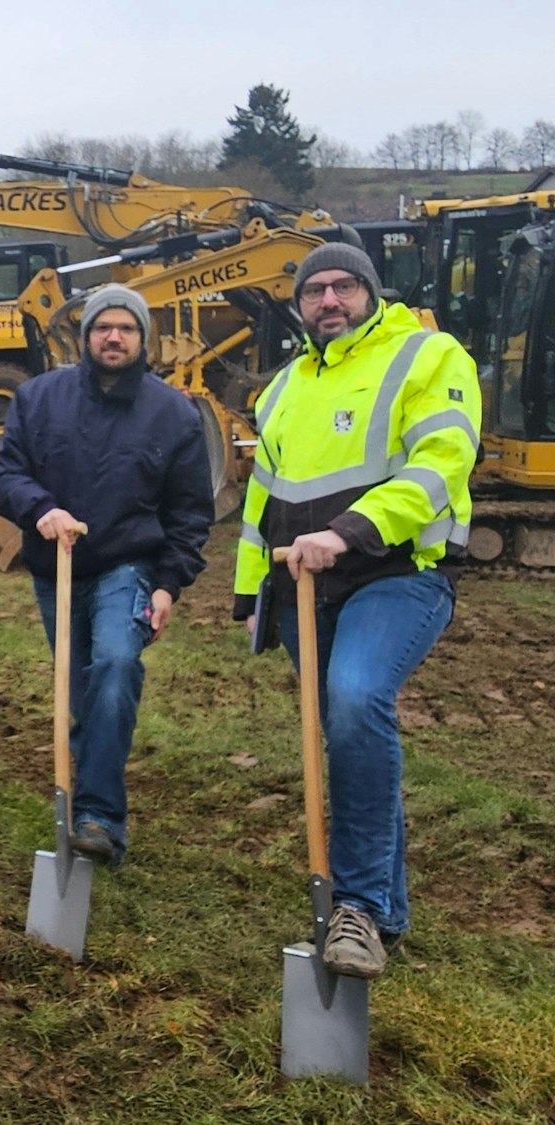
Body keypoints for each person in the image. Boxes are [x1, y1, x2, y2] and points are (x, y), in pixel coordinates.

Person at [235, 243, 479, 979]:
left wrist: (347, 533)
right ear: (299, 304)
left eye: (344, 286)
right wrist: (252, 592)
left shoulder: (427, 356)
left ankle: (359, 908)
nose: (329, 300)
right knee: (347, 732)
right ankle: (386, 911)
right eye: (315, 290)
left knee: (356, 697)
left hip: (398, 574)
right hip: (303, 591)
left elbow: (442, 462)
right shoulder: (280, 389)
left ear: (372, 292)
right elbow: (261, 504)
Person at [0, 284, 213, 863]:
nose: (114, 337)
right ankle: (93, 812)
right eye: (102, 327)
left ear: (143, 338)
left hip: (128, 564)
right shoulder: (39, 398)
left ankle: (97, 816)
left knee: (115, 664)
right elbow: (7, 474)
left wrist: (168, 585)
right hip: (56, 569)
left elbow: (189, 512)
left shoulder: (173, 413)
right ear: (84, 336)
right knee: (82, 692)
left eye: (127, 328)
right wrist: (42, 511)